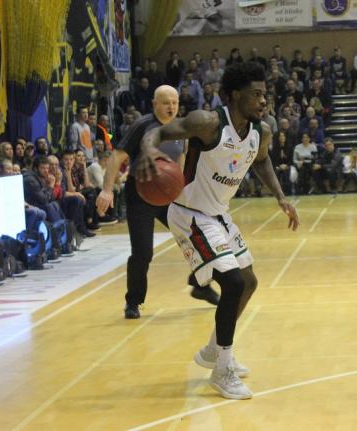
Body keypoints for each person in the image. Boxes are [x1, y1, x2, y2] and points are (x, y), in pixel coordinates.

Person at [136, 62, 299, 400]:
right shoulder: (208, 123)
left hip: (218, 214)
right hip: (189, 213)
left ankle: (214, 349)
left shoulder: (261, 131)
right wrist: (149, 149)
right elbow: (159, 132)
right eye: (256, 94)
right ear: (235, 95)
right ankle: (222, 371)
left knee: (248, 282)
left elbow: (261, 160)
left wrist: (280, 197)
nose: (263, 101)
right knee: (233, 283)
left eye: (265, 95)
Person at [96, 85, 220, 320]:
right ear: (154, 104)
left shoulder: (181, 127)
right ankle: (133, 301)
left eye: (174, 102)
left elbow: (181, 156)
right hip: (140, 195)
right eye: (165, 103)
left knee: (199, 237)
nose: (171, 107)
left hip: (170, 194)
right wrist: (107, 190)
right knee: (142, 253)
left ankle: (201, 285)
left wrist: (183, 189)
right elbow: (117, 156)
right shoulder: (142, 126)